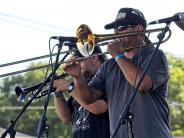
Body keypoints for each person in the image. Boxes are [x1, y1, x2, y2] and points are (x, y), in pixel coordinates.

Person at [64, 8, 173, 138]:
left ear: (139, 29)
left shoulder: (155, 55)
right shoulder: (109, 66)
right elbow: (88, 98)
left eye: (121, 27)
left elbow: (141, 83)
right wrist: (77, 77)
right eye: (115, 29)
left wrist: (119, 55)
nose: (116, 32)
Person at [53, 46, 110, 138]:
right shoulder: (81, 84)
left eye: (79, 61)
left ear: (94, 57)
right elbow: (66, 117)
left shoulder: (108, 78)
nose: (76, 66)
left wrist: (69, 87)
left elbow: (99, 108)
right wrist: (57, 93)